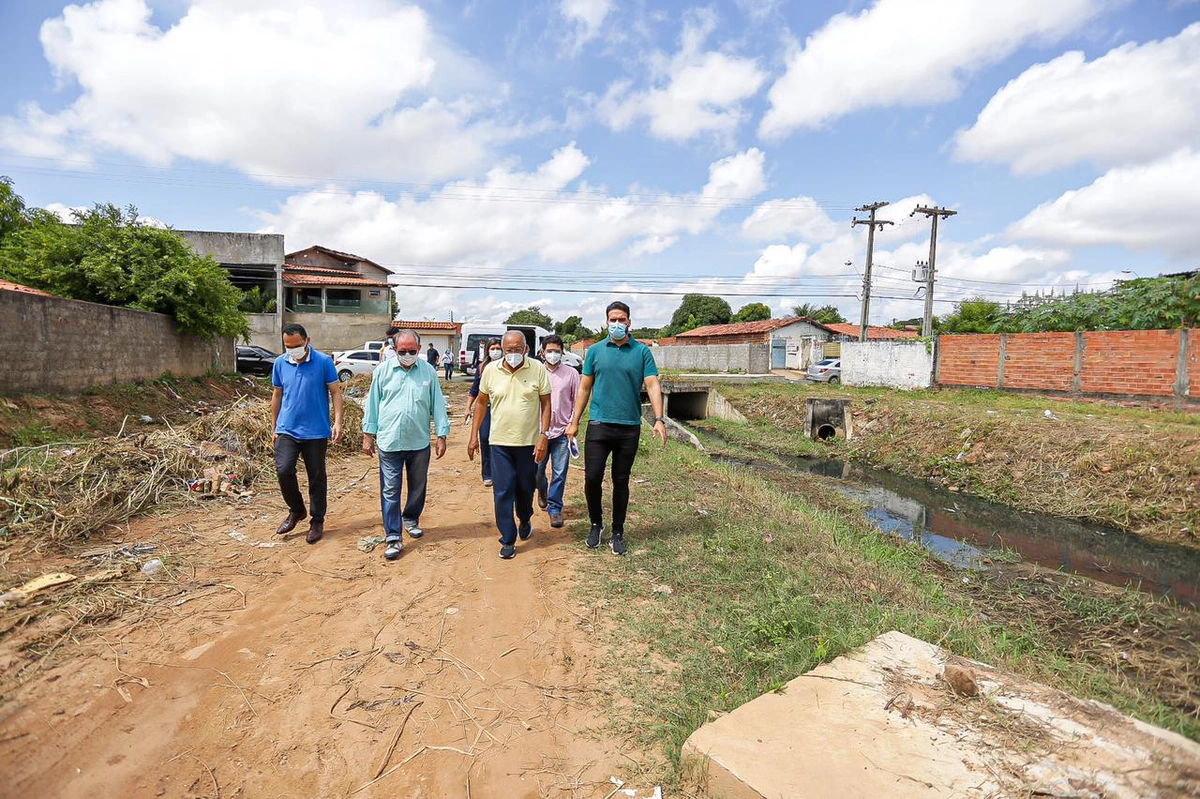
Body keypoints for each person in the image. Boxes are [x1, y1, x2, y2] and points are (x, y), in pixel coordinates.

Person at [564, 301, 667, 556]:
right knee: (592, 477)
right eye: (613, 319)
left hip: (629, 427)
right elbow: (584, 387)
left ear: (629, 322)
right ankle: (596, 524)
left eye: (622, 319)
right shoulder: (596, 351)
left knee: (621, 481)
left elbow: (652, 384)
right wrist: (574, 421)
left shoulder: (641, 352)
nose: (617, 324)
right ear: (606, 322)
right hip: (599, 425)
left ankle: (618, 532)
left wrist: (659, 419)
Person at [362, 329, 450, 561]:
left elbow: (438, 405)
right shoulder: (382, 372)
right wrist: (368, 434)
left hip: (419, 441)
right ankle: (393, 535)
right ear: (394, 350)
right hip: (389, 442)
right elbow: (372, 404)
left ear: (419, 350)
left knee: (417, 485)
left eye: (412, 351)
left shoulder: (428, 372)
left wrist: (441, 435)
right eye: (403, 351)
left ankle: (410, 519)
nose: (408, 354)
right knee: (390, 490)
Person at [468, 331, 551, 559]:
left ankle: (525, 517)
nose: (513, 354)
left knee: (525, 489)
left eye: (517, 349)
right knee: (502, 491)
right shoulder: (491, 371)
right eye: (508, 350)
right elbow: (482, 402)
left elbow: (546, 404)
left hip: (528, 444)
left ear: (526, 349)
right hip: (499, 443)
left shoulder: (537, 369)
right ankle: (507, 538)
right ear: (502, 350)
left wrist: (544, 434)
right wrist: (474, 435)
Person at [271, 323, 344, 544]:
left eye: (297, 345)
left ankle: (317, 520)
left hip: (316, 431)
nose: (292, 349)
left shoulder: (323, 362)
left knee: (317, 477)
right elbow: (277, 395)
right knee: (284, 470)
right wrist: (274, 426)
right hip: (287, 429)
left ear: (307, 341)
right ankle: (296, 510)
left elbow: (336, 393)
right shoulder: (279, 363)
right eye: (287, 346)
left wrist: (338, 422)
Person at [535, 335, 580, 529]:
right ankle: (542, 490)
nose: (553, 354)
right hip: (538, 433)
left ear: (562, 352)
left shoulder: (571, 374)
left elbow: (577, 400)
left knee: (559, 472)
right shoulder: (535, 372)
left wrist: (573, 424)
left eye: (557, 351)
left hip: (562, 432)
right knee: (536, 471)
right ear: (542, 352)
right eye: (549, 351)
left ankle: (555, 508)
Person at [467, 339, 503, 486]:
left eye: (498, 348)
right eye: (493, 348)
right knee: (484, 437)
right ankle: (487, 473)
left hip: (501, 408)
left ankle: (500, 471)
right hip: (487, 408)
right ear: (488, 350)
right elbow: (474, 389)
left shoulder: (506, 367)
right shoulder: (482, 367)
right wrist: (468, 408)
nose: (496, 351)